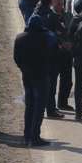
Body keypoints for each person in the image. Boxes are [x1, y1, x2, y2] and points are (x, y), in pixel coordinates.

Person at [13, 14, 51, 147]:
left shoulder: (19, 38)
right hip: (40, 76)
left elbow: (16, 58)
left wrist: (24, 68)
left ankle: (27, 134)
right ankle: (35, 137)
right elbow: (49, 56)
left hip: (27, 76)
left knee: (29, 106)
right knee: (39, 107)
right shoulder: (44, 38)